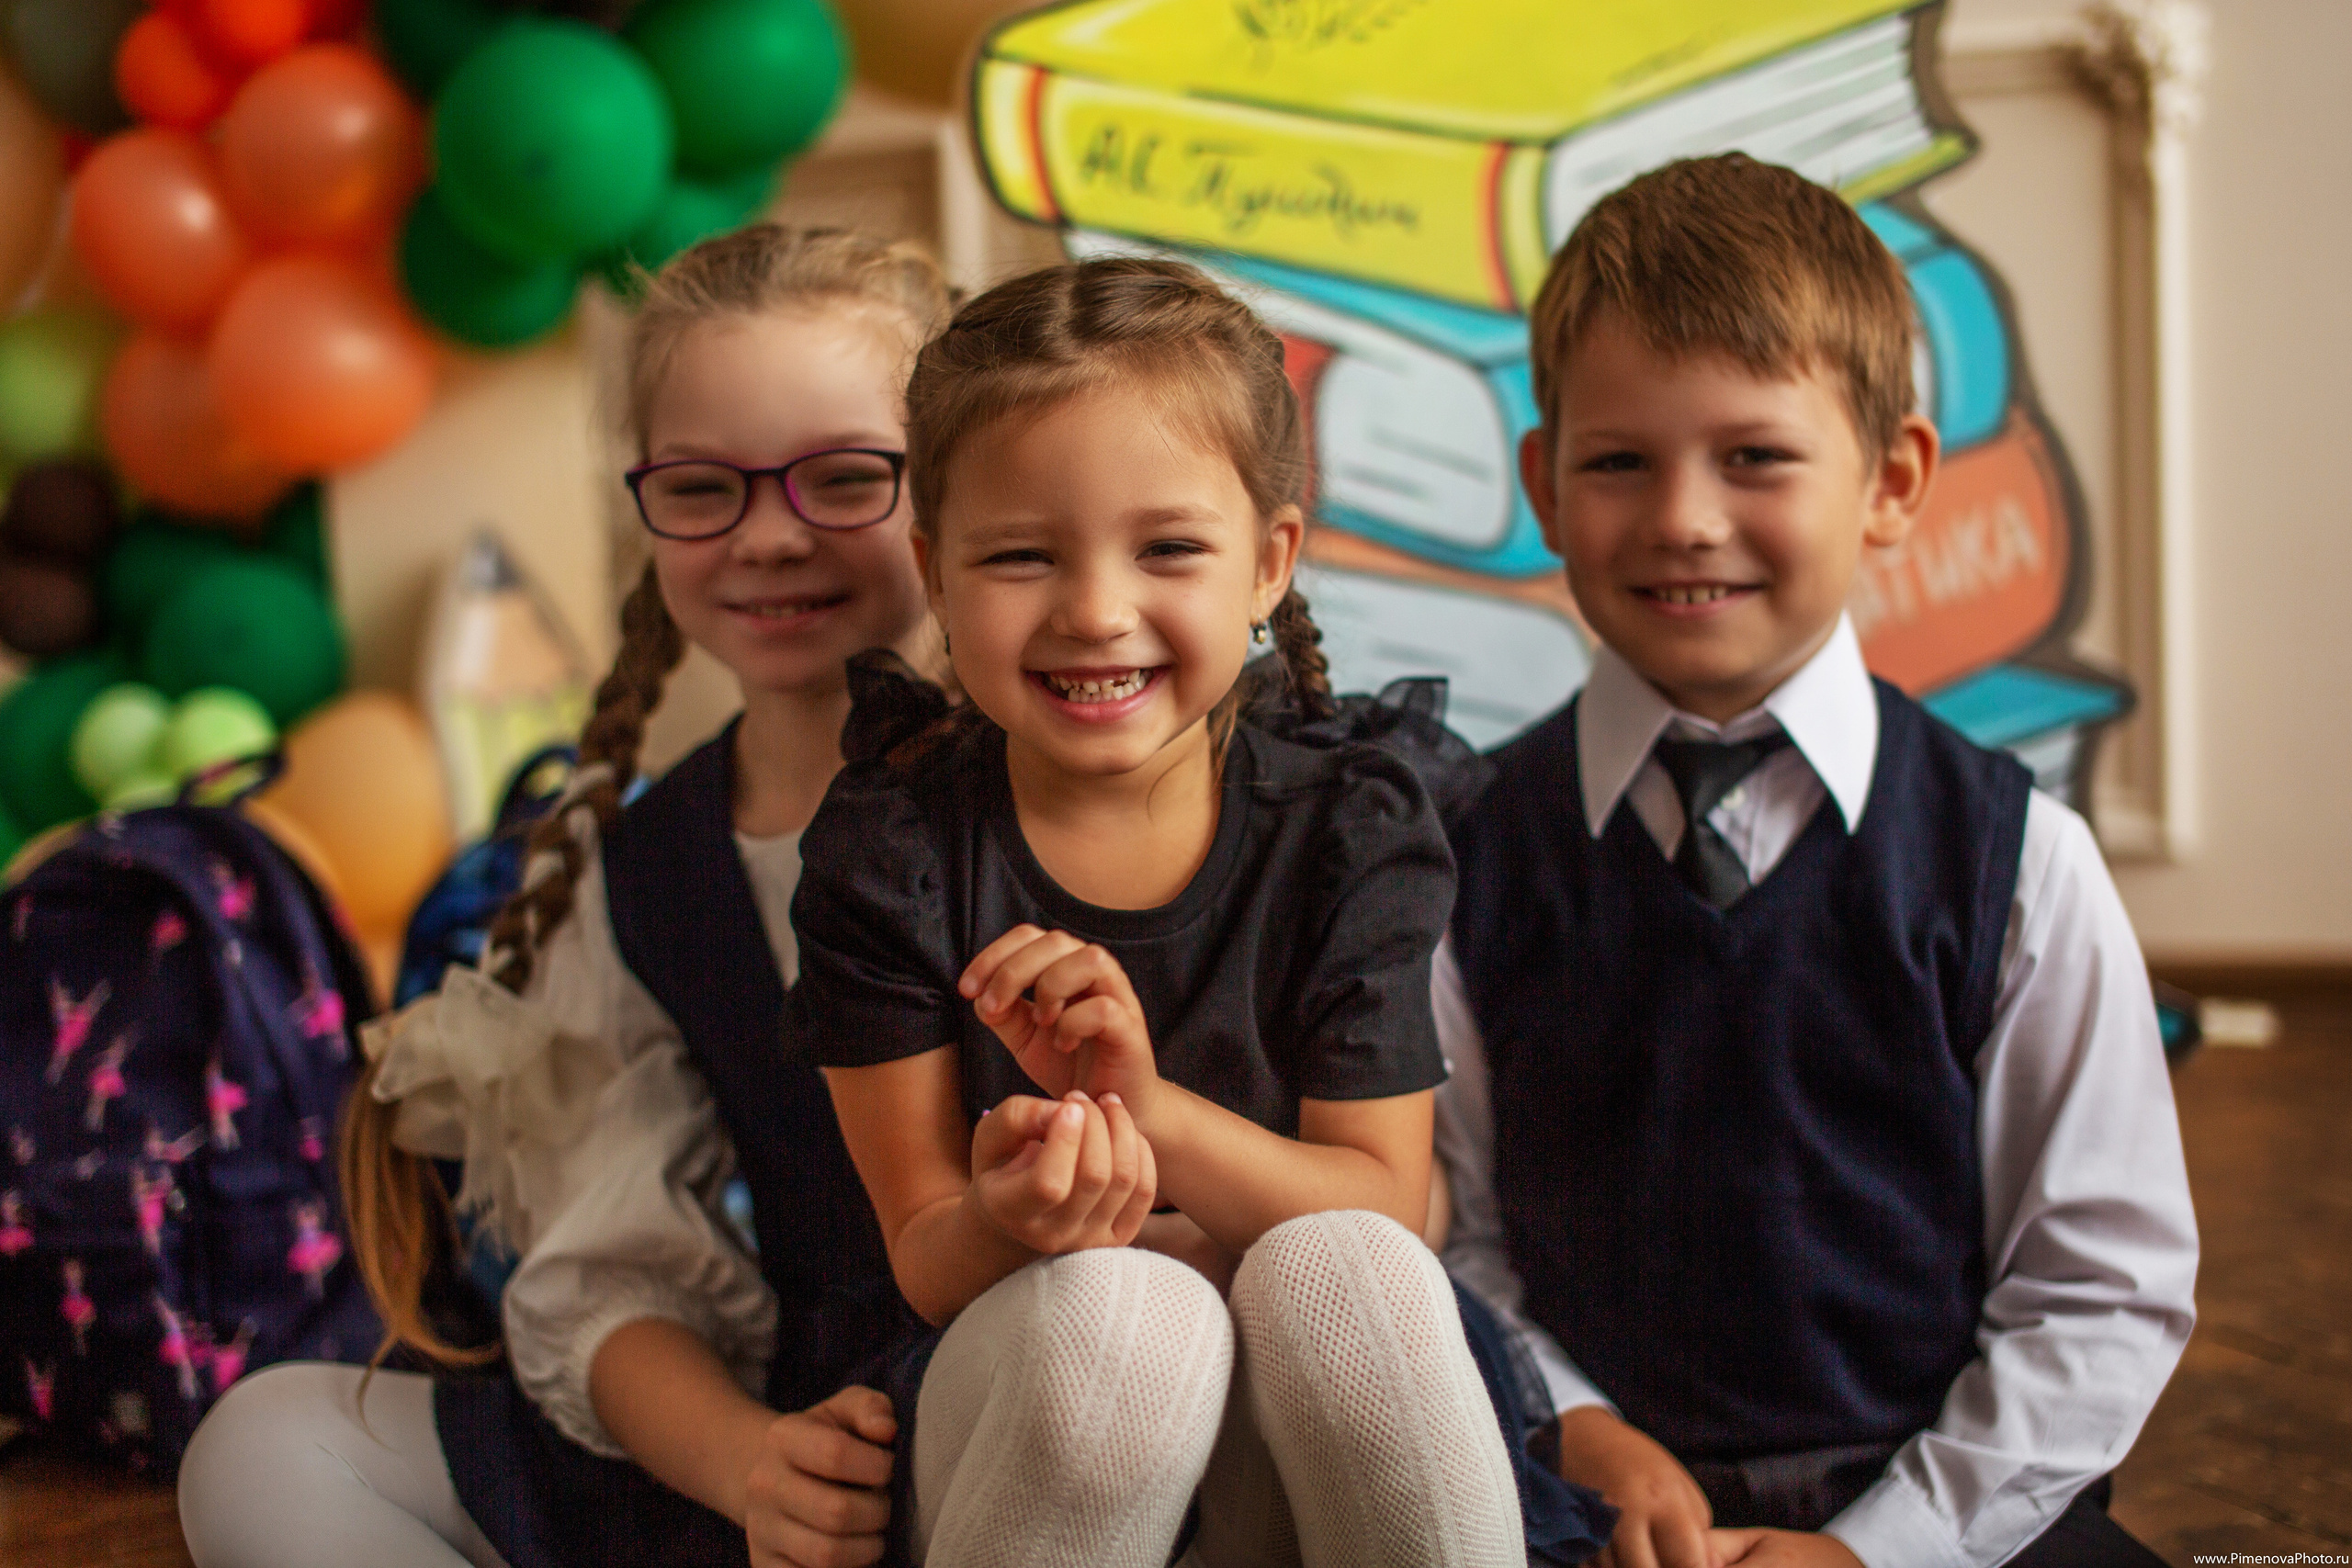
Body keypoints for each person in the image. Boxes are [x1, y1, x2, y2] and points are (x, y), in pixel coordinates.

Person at [176, 226, 1220, 1568]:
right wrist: (751, 1465)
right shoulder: (648, 867)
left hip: (1097, 1396)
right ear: (645, 510)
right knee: (268, 1442)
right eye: (702, 488)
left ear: (957, 496)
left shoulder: (1104, 785)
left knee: (1088, 1338)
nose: (770, 537)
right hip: (829, 1439)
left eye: (845, 477)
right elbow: (610, 1277)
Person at [1432, 153, 2199, 1568]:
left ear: (1893, 481)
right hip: (1594, 1506)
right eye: (1619, 461)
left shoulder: (2019, 860)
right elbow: (1454, 1236)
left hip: (1949, 1508)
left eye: (1756, 457)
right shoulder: (1465, 864)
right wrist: (1576, 1428)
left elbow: (2101, 1287)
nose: (1682, 518)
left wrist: (1879, 1549)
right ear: (1544, 485)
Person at [791, 255, 1613, 1568]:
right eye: (1019, 556)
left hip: (1313, 1403)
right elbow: (924, 1252)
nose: (1096, 612)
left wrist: (1149, 1116)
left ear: (1269, 561)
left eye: (1168, 548)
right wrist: (1017, 1218)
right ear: (935, 571)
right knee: (1131, 1314)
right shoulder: (894, 851)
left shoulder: (1347, 819)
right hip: (1027, 1393)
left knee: (1343, 1274)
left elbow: (1388, 1204)